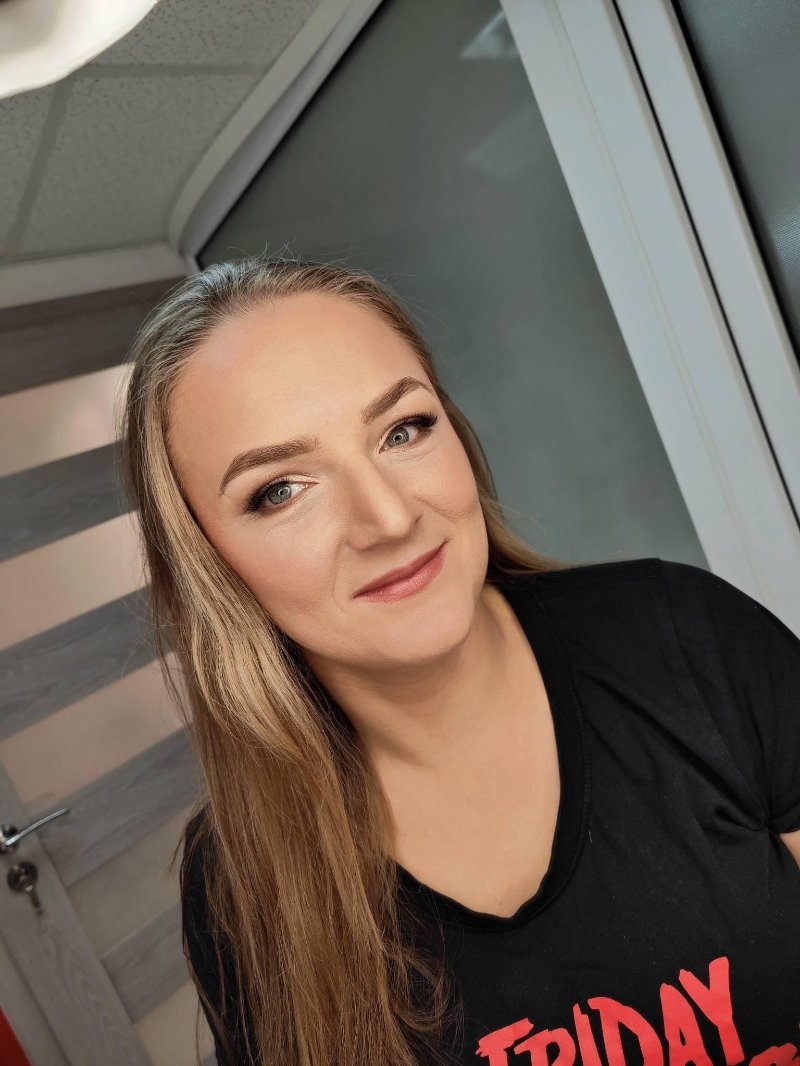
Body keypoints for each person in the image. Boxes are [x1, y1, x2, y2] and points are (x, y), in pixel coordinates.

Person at [115, 255, 800, 1066]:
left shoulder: (687, 640)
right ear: (209, 564)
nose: (389, 518)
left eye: (402, 430)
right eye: (281, 490)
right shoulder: (238, 883)